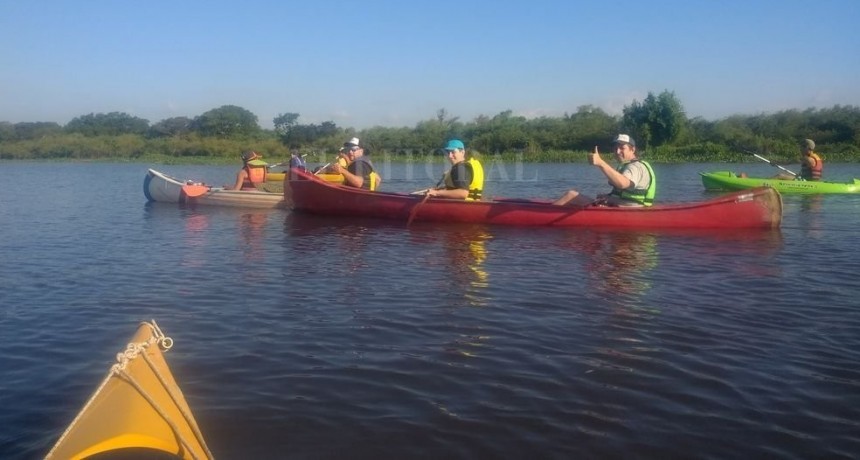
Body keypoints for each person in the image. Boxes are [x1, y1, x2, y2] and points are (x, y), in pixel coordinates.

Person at [552, 134, 656, 207]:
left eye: (622, 148)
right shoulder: (629, 165)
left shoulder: (635, 167)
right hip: (624, 205)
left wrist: (600, 163)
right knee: (593, 198)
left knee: (571, 195)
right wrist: (608, 197)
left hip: (629, 209)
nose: (617, 152)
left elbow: (623, 184)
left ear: (632, 150)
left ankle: (544, 216)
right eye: (615, 148)